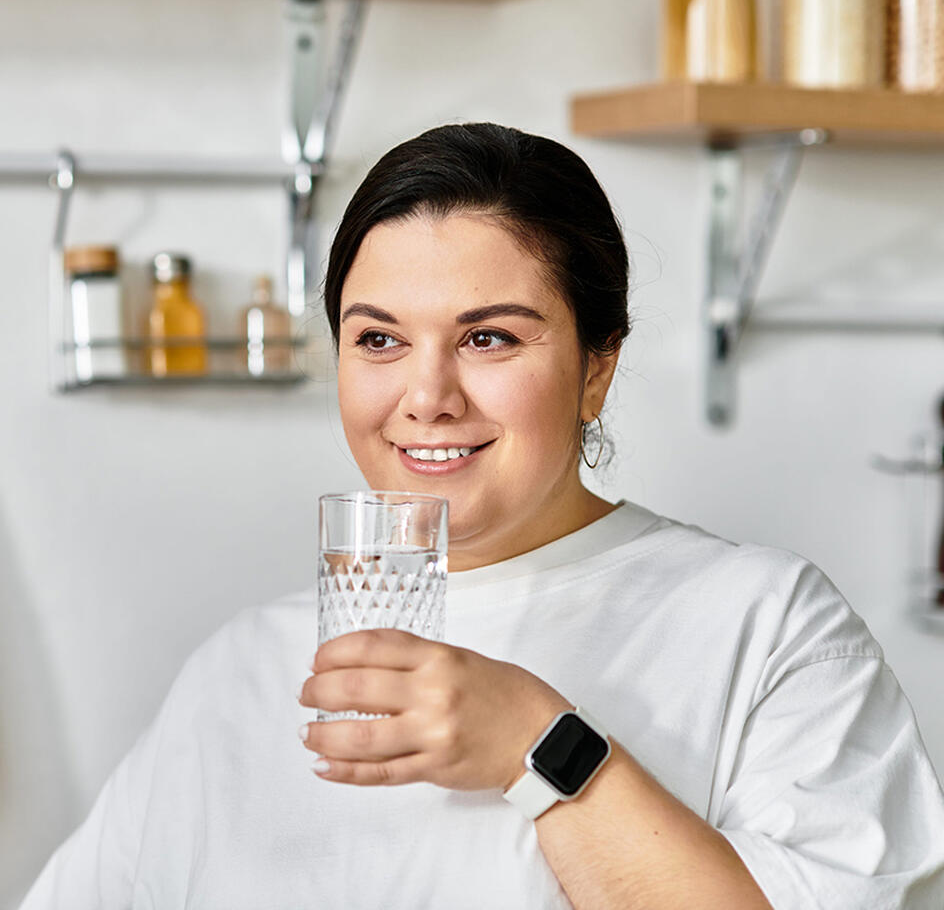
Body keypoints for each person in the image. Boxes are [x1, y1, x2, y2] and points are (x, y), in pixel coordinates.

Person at [21, 123, 944, 909]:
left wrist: (538, 746)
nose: (426, 396)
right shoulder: (240, 672)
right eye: (378, 339)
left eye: (489, 337)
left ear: (597, 368)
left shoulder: (768, 626)